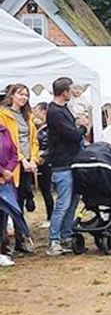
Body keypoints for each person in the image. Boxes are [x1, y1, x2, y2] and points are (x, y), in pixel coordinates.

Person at [46, 77, 87, 256]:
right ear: (64, 92)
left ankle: (66, 235)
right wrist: (83, 128)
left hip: (72, 161)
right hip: (62, 163)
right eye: (70, 90)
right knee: (63, 204)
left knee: (72, 201)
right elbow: (71, 135)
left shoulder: (63, 110)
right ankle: (54, 240)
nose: (72, 93)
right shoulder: (55, 112)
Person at [0, 84, 39, 255]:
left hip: (27, 165)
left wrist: (33, 159)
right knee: (8, 203)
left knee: (22, 200)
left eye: (26, 94)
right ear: (12, 95)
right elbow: (8, 143)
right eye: (20, 94)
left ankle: (21, 240)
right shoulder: (4, 115)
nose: (23, 97)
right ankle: (4, 242)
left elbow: (33, 140)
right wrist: (21, 159)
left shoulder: (28, 116)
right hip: (12, 164)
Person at [0, 115, 30, 266]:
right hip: (2, 176)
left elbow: (14, 152)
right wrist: (1, 171)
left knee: (3, 216)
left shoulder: (5, 131)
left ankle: (1, 251)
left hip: (6, 180)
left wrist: (8, 171)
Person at [33, 102, 54, 226]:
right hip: (41, 160)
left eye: (37, 110)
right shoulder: (41, 127)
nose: (35, 112)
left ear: (43, 111)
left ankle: (51, 216)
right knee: (44, 189)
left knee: (46, 189)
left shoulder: (49, 128)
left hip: (46, 162)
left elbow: (50, 145)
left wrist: (43, 155)